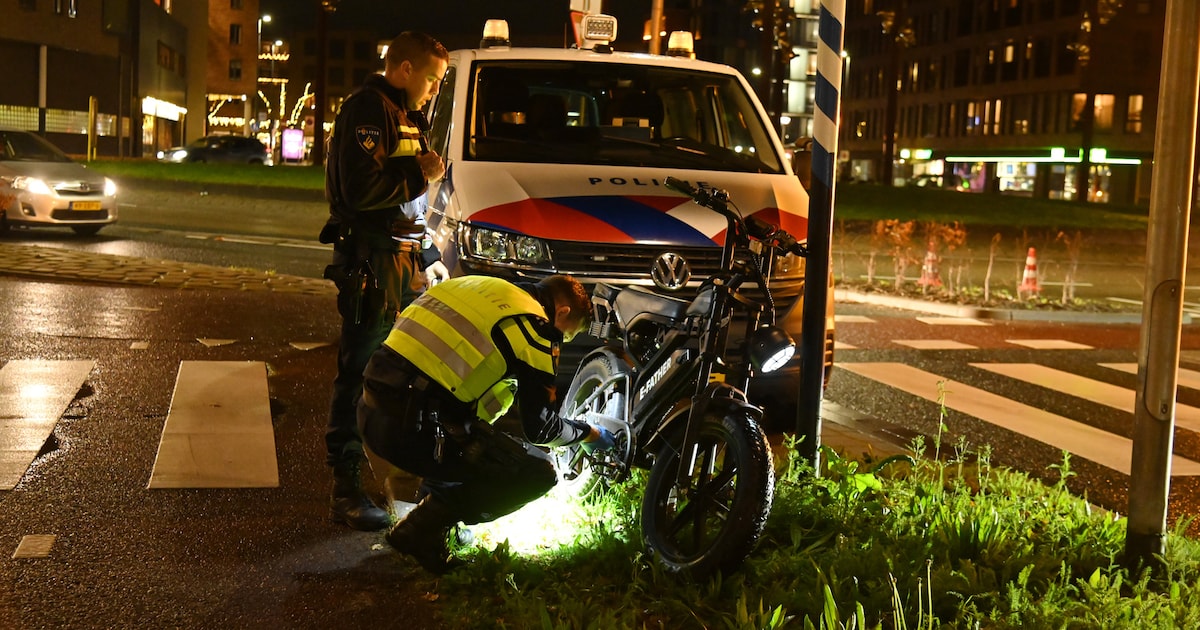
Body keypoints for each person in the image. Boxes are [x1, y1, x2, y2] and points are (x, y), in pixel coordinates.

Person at [357, 274, 616, 573]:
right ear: (563, 313)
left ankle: (431, 506)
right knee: (536, 473)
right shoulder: (535, 328)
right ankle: (420, 529)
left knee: (468, 432)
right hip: (411, 432)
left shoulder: (481, 287)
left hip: (371, 413)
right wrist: (589, 433)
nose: (562, 341)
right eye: (567, 334)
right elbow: (541, 428)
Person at [320, 31, 451, 531]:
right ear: (403, 70)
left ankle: (403, 478)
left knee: (406, 374)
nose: (434, 90)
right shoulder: (367, 112)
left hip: (403, 261)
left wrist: (428, 252)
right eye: (433, 79)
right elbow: (360, 191)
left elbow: (409, 206)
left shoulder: (404, 114)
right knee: (358, 372)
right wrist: (422, 175)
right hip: (373, 261)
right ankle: (345, 489)